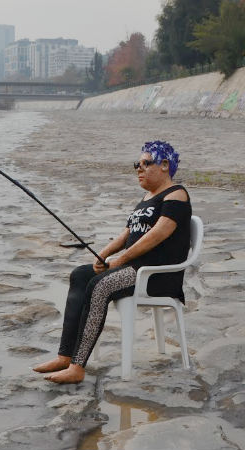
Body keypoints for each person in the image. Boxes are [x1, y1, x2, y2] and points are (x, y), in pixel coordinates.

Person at [33, 140, 192, 384]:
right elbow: (128, 234)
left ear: (164, 165)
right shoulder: (147, 197)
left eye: (145, 163)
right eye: (136, 164)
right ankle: (65, 356)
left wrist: (122, 259)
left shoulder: (176, 195)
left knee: (100, 285)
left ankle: (77, 367)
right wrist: (104, 255)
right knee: (81, 275)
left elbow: (158, 233)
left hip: (155, 276)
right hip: (133, 269)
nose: (139, 169)